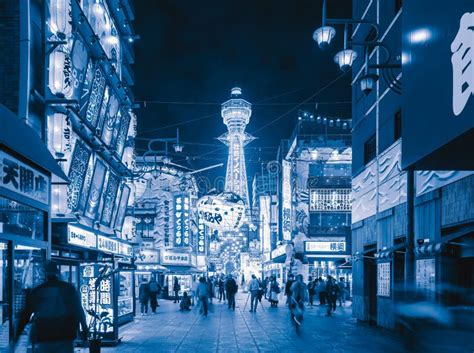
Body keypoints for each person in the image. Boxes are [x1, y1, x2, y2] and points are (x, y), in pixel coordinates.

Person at [14, 261, 88, 353]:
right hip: (65, 335)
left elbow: (26, 314)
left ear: (45, 273)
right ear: (57, 273)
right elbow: (78, 311)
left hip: (45, 336)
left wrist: (16, 336)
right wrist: (84, 330)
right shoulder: (68, 289)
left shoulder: (38, 291)